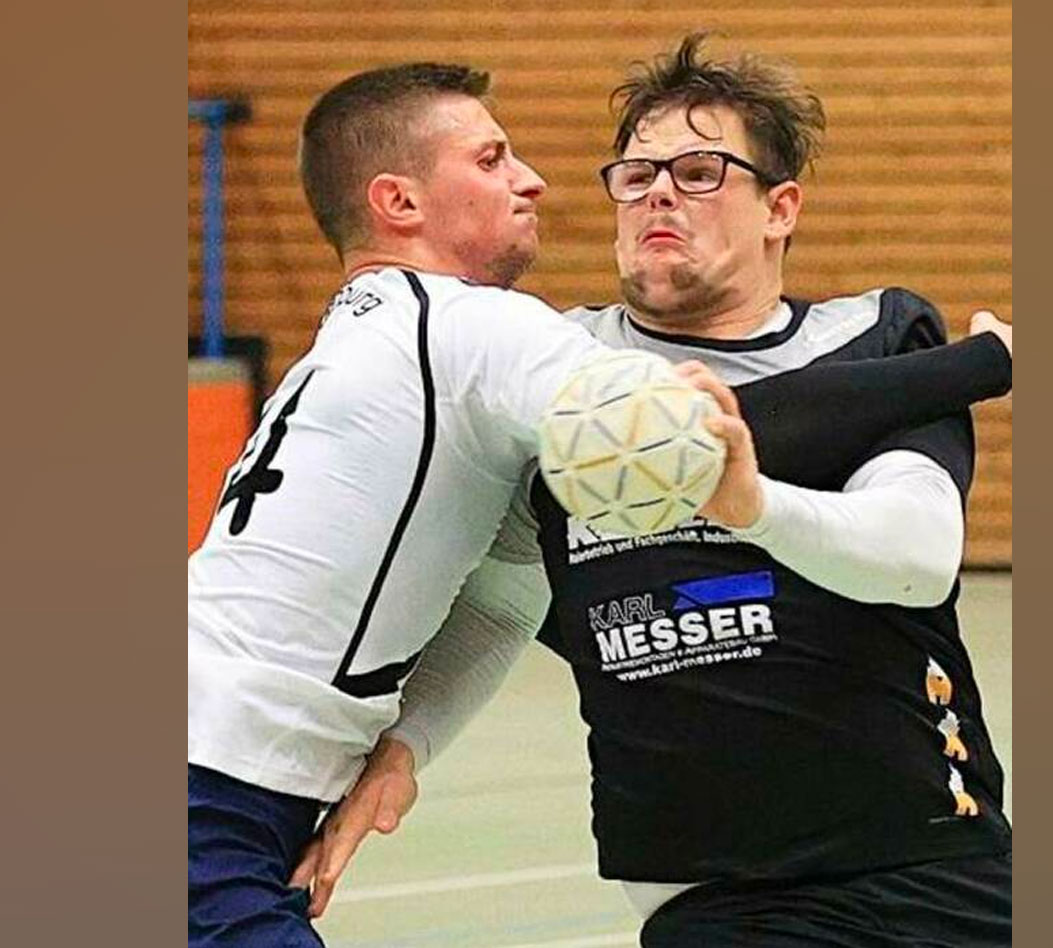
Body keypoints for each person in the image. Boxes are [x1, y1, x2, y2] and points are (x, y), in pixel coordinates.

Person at [189, 59, 1010, 948]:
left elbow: (917, 555)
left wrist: (403, 746)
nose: (656, 194)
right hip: (711, 893)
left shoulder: (870, 333)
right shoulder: (513, 348)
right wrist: (964, 368)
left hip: (936, 857)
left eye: (699, 173)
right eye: (635, 175)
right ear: (399, 201)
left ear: (780, 208)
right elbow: (641, 455)